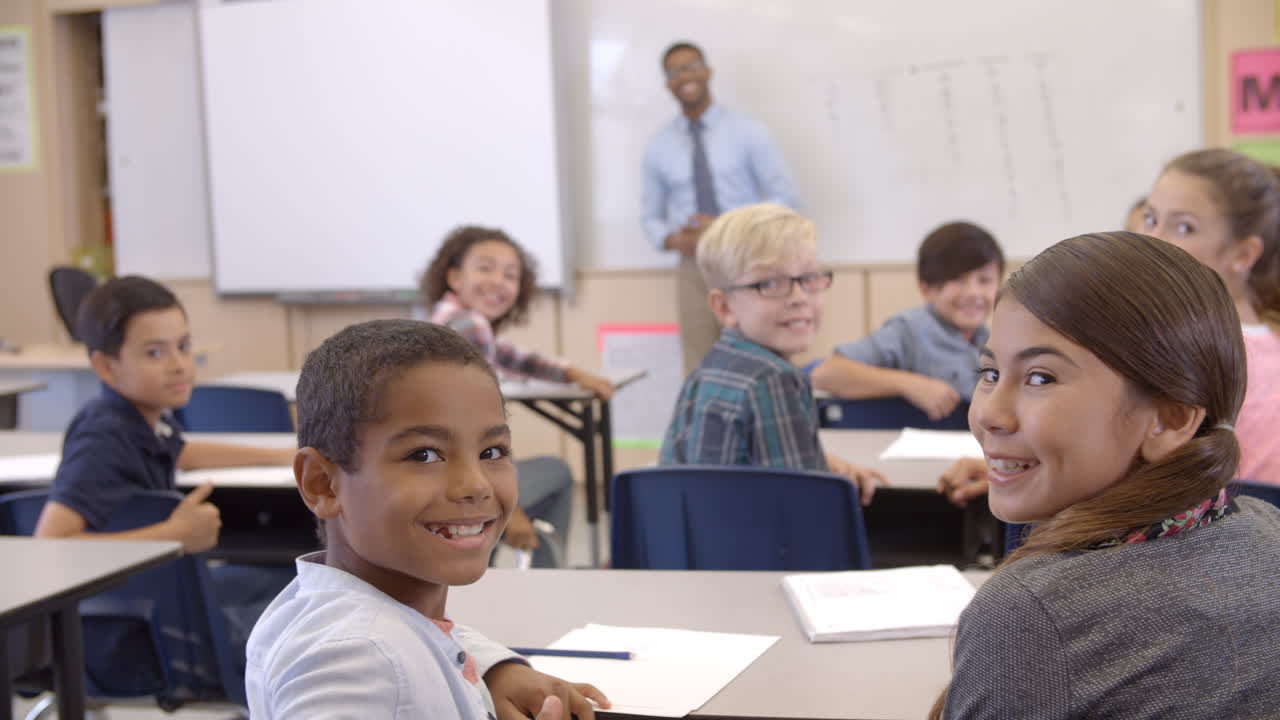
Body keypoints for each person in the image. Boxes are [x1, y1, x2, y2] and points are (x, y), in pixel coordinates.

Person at [930, 232, 1280, 719]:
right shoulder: (1267, 530)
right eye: (990, 373)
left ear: (1172, 419)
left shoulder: (1032, 614)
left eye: (1040, 378)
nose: (991, 413)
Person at [247, 320, 609, 719]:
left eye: (492, 451)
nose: (475, 485)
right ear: (323, 484)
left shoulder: (323, 609)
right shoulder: (355, 661)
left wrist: (493, 671)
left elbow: (417, 634)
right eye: (424, 455)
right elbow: (380, 655)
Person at [938, 148, 1280, 505]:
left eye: (1183, 227)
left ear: (1243, 254)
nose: (1153, 236)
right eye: (1150, 218)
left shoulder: (1198, 356)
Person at [32, 275, 297, 674]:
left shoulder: (141, 421)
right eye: (155, 353)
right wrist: (174, 536)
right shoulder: (103, 437)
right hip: (145, 629)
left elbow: (182, 453)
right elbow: (50, 543)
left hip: (157, 603)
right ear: (106, 366)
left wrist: (278, 456)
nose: (179, 365)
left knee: (289, 578)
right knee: (306, 613)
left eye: (184, 346)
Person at [659, 203, 885, 504]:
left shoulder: (707, 371)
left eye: (809, 278)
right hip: (756, 548)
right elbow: (804, 511)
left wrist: (822, 463)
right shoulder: (775, 379)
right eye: (770, 284)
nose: (799, 297)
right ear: (724, 307)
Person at [421, 225, 611, 567]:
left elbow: (515, 358)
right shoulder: (468, 326)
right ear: (453, 276)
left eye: (510, 274)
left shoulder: (447, 320)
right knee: (558, 473)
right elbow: (468, 431)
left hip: (436, 473)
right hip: (455, 481)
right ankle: (545, 584)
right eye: (485, 268)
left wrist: (573, 373)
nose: (498, 281)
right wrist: (511, 509)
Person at [642, 41, 800, 374]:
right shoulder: (660, 146)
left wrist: (729, 226)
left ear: (707, 71)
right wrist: (673, 240)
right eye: (674, 72)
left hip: (749, 257)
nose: (684, 76)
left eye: (690, 66)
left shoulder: (748, 132)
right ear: (667, 84)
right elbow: (650, 218)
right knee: (699, 364)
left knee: (762, 355)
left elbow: (786, 199)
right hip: (694, 264)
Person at [811, 222, 1004, 421]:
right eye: (957, 280)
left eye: (985, 280)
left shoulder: (992, 339)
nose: (973, 293)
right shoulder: (909, 330)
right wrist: (910, 384)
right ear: (925, 288)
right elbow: (827, 373)